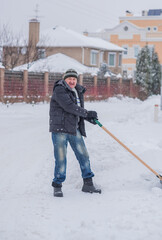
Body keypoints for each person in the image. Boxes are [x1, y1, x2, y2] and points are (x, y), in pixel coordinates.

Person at [49, 69, 101, 197]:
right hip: (60, 129)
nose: (72, 81)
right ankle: (57, 186)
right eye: (69, 79)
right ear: (64, 79)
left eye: (74, 79)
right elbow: (69, 106)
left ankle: (88, 184)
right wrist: (87, 113)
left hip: (73, 128)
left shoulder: (78, 90)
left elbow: (76, 110)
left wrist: (88, 117)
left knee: (83, 155)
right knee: (61, 159)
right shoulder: (59, 89)